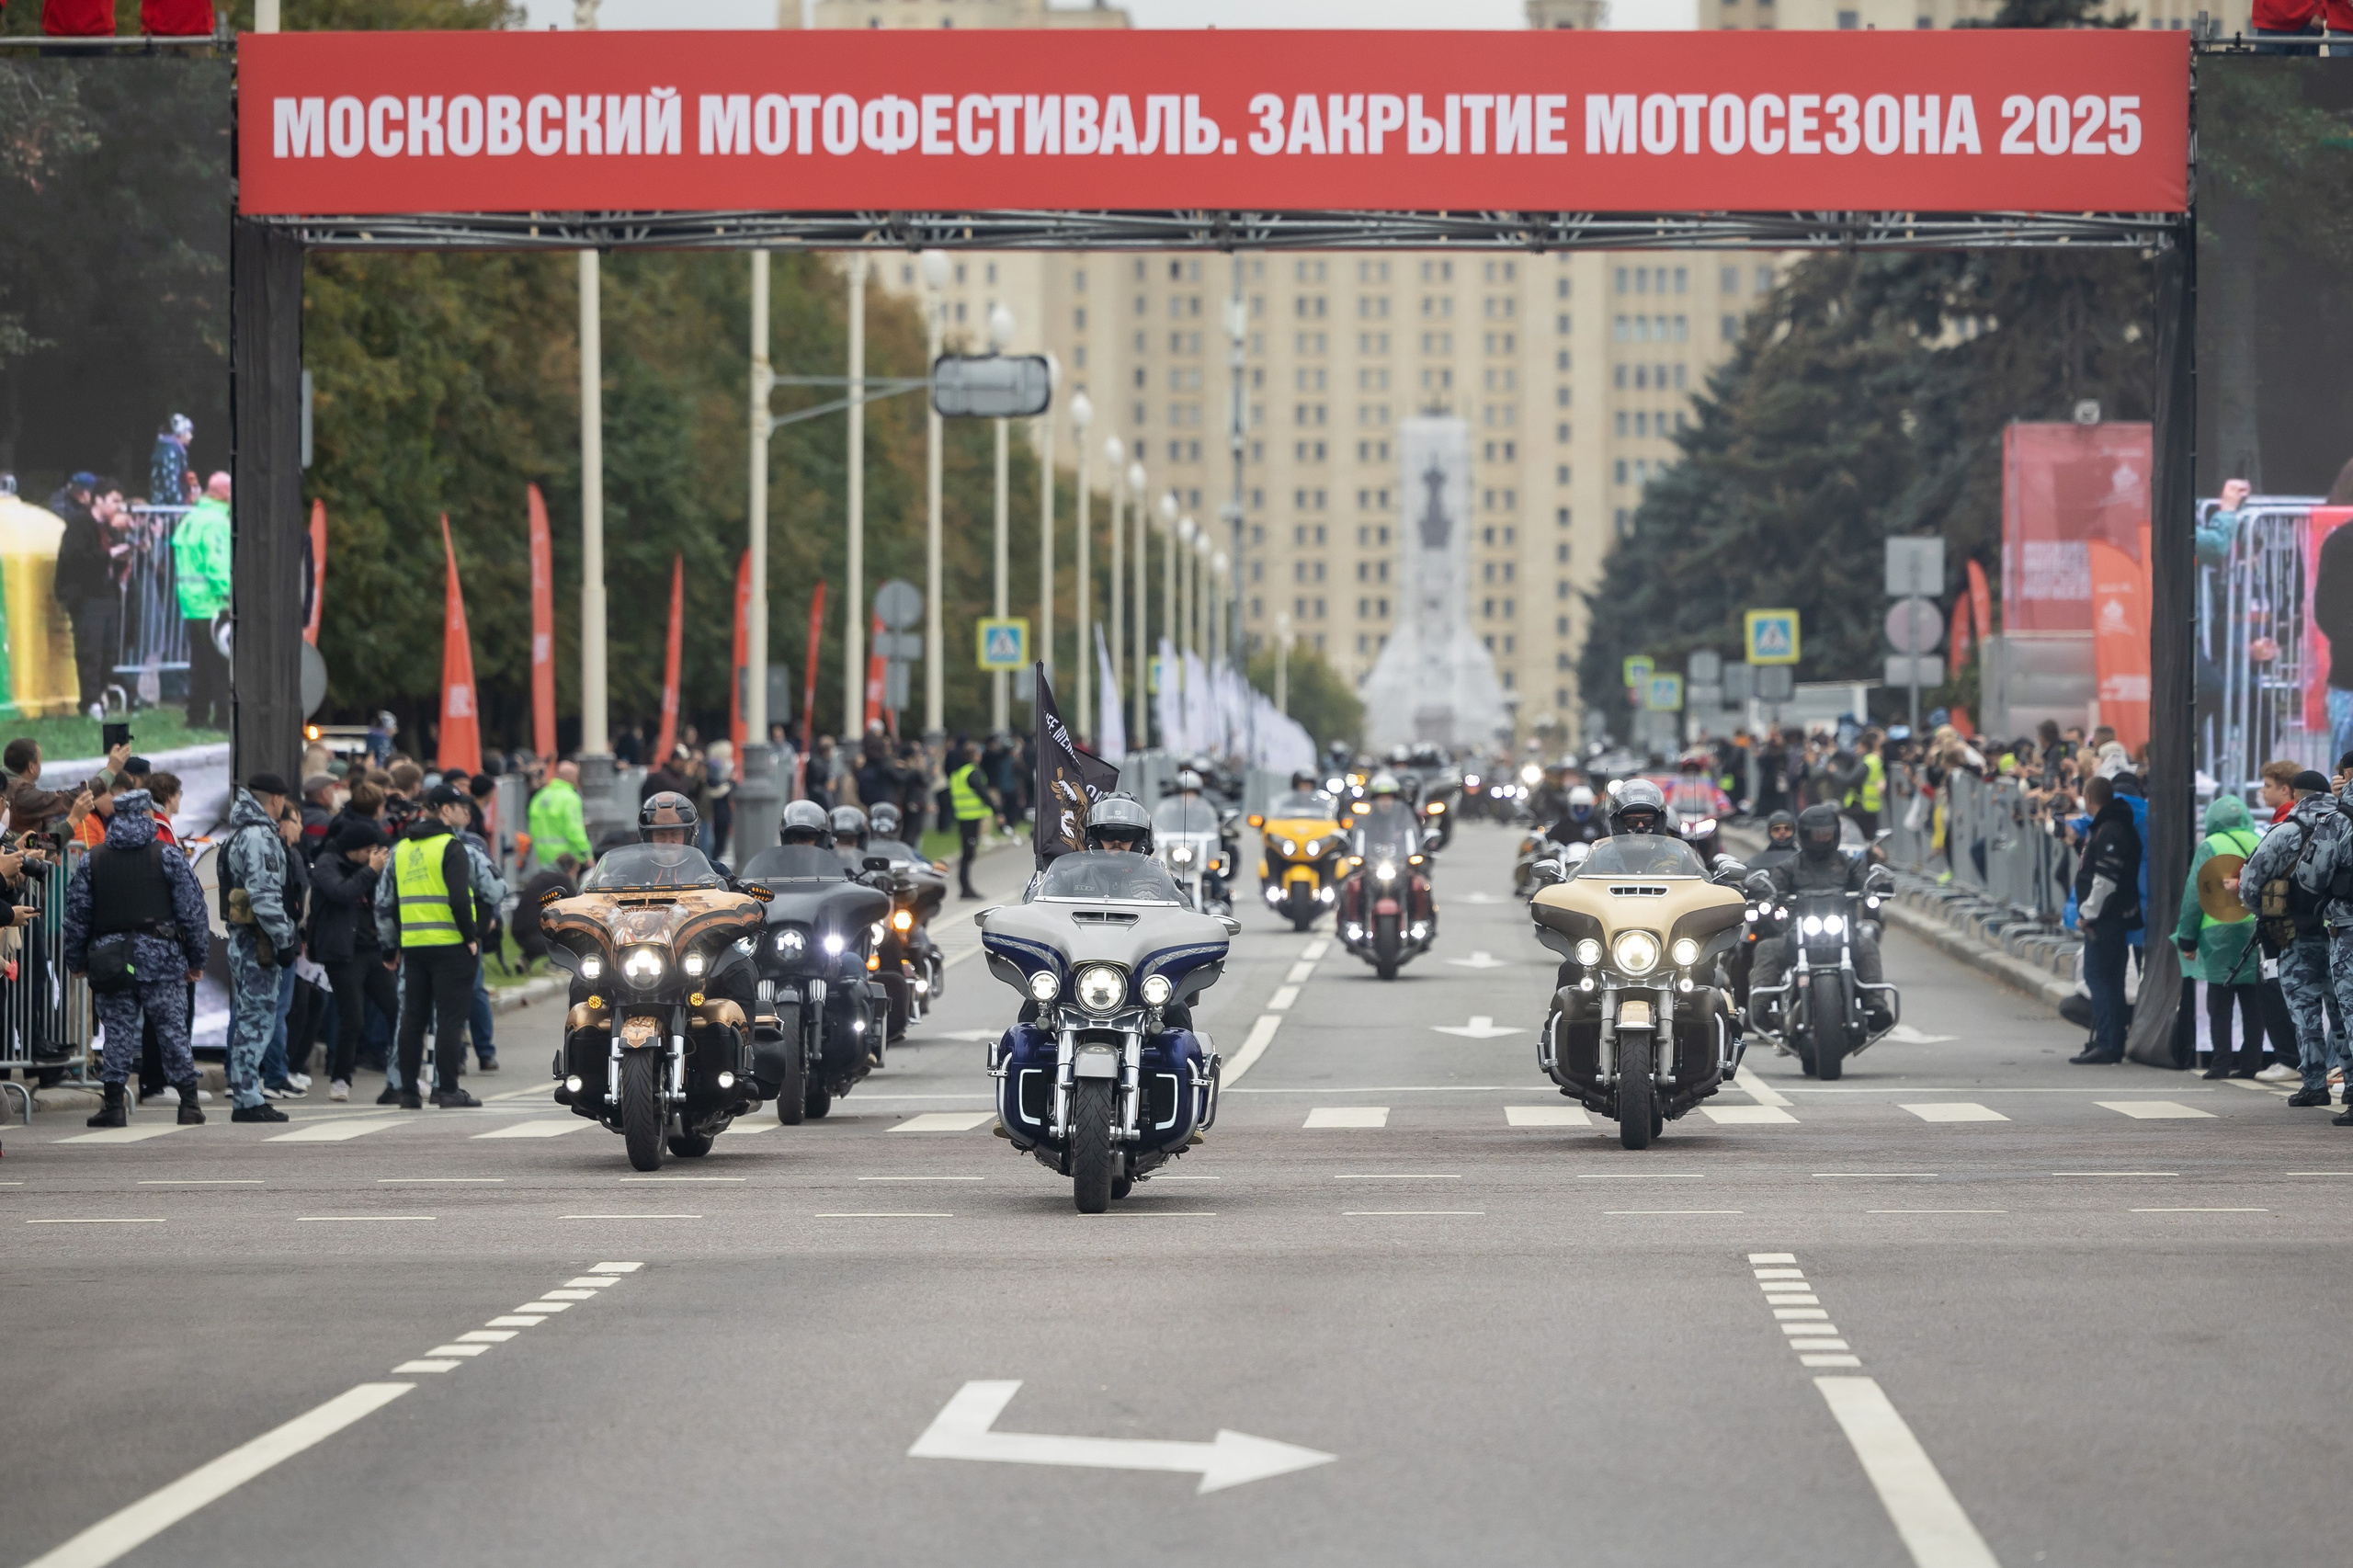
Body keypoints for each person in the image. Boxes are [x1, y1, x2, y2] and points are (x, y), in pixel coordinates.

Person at [62, 788, 210, 1129]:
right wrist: (196, 960)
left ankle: (114, 1106)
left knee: (117, 1033)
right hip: (161, 957)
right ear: (147, 815)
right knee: (172, 1031)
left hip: (111, 958)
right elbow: (193, 912)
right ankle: (189, 1104)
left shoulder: (93, 859)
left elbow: (77, 915)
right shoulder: (168, 856)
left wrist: (77, 961)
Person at [373, 783, 485, 1110]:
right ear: (445, 810)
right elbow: (459, 899)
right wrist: (470, 937)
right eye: (459, 806)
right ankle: (447, 1090)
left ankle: (409, 1092)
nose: (464, 812)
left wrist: (389, 946)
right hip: (450, 944)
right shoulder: (451, 847)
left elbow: (385, 902)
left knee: (413, 1019)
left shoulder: (403, 849)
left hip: (414, 945)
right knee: (450, 1019)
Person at [2234, 771, 2342, 1108]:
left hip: (2294, 935)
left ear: (2295, 796)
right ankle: (2350, 1083)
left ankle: (2314, 1084)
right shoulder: (2344, 826)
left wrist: (2266, 913)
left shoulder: (2284, 832)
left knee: (2305, 1013)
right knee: (2342, 1013)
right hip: (2340, 933)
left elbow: (2250, 884)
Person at [1750, 802, 1892, 1032]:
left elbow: (1865, 882)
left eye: (1827, 834)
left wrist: (1876, 887)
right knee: (1766, 948)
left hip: (1843, 933)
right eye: (1817, 834)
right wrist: (1763, 893)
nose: (1822, 839)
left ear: (1835, 834)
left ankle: (1876, 1006)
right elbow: (1773, 886)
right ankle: (1760, 1008)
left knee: (1868, 946)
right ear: (1806, 835)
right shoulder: (1790, 866)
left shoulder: (1849, 864)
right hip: (1799, 934)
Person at [220, 774, 299, 1122]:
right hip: (258, 944)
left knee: (250, 1020)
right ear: (276, 799)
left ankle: (247, 1095)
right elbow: (265, 898)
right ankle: (248, 1099)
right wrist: (285, 939)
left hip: (246, 940)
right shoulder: (259, 836)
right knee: (255, 1022)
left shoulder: (240, 831)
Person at [2175, 794, 2265, 1080]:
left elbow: (2194, 895)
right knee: (2253, 1000)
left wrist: (2186, 938)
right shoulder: (2260, 839)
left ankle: (2221, 1063)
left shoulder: (2210, 845)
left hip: (2219, 930)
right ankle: (2252, 1063)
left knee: (2220, 1001)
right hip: (2255, 928)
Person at [310, 818, 392, 1103]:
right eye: (368, 850)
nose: (373, 856)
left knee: (397, 1010)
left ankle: (403, 1075)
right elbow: (341, 893)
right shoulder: (327, 864)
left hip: (372, 948)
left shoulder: (368, 869)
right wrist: (370, 871)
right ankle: (340, 1078)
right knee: (353, 1019)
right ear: (354, 849)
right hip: (342, 952)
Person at [2070, 775, 2143, 1065]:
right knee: (2109, 979)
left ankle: (2107, 1042)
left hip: (2106, 919)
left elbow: (2105, 880)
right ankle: (2111, 1041)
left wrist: (2087, 913)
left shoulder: (2110, 829)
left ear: (2089, 798)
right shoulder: (2112, 825)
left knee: (2099, 977)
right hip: (2113, 916)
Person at [52, 473, 123, 719]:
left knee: (109, 649)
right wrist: (110, 555)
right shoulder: (80, 525)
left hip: (107, 593)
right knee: (90, 649)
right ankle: (90, 701)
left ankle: (100, 695)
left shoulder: (110, 529)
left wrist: (124, 558)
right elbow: (76, 561)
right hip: (85, 595)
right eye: (114, 501)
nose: (118, 507)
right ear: (99, 500)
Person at [172, 472, 233, 731]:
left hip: (190, 603)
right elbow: (216, 564)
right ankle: (223, 719)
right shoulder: (216, 522)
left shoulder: (191, 518)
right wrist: (231, 593)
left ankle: (196, 717)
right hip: (213, 603)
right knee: (221, 665)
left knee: (199, 665)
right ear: (224, 493)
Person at [948, 740, 996, 899]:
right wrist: (997, 810)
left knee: (968, 853)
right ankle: (965, 889)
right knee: (968, 854)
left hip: (962, 817)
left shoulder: (957, 773)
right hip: (971, 817)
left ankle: (965, 887)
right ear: (974, 756)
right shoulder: (971, 773)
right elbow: (982, 792)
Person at [529, 758, 594, 870]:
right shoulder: (570, 798)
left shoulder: (540, 797)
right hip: (565, 859)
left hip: (543, 857)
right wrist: (587, 855)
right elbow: (574, 831)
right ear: (571, 777)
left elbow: (533, 827)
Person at [150, 414, 193, 514]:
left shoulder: (167, 449)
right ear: (181, 433)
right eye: (189, 432)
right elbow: (171, 480)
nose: (191, 436)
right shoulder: (171, 451)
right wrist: (178, 506)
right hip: (168, 507)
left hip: (162, 503)